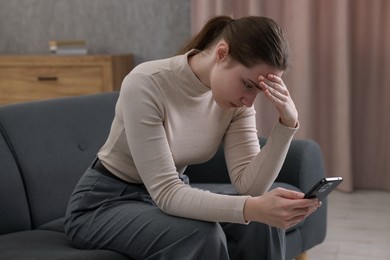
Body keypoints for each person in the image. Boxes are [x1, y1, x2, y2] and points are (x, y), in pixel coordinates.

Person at [64, 15, 321, 260]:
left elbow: (250, 187)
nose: (249, 100)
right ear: (222, 54)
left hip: (163, 198)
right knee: (201, 235)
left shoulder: (236, 104)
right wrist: (252, 208)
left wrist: (287, 123)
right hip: (104, 204)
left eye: (260, 90)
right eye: (248, 84)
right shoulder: (146, 83)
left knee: (260, 225)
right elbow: (166, 192)